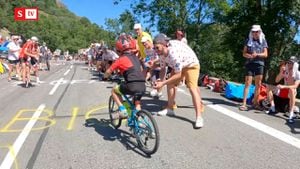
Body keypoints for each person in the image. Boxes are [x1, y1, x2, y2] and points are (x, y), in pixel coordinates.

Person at [153, 33, 204, 128]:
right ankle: (170, 108)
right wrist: (160, 80)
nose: (156, 51)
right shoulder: (161, 53)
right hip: (179, 65)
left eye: (157, 48)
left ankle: (199, 117)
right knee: (170, 84)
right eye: (154, 48)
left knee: (192, 88)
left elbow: (178, 74)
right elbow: (163, 69)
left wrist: (163, 83)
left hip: (191, 64)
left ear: (164, 45)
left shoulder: (173, 53)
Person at [104, 33, 146, 119]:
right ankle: (140, 122)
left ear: (119, 50)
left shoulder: (120, 60)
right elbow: (140, 69)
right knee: (137, 103)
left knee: (114, 91)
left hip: (131, 85)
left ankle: (122, 110)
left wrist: (104, 77)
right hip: (142, 85)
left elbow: (108, 71)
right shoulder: (136, 57)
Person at [239, 25, 268, 111]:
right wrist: (248, 55)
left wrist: (257, 55)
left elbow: (266, 54)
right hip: (250, 63)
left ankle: (255, 103)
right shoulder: (248, 40)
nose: (255, 33)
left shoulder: (263, 41)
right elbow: (244, 53)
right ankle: (244, 103)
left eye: (257, 32)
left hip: (259, 64)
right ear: (251, 32)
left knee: (258, 84)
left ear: (260, 32)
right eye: (253, 32)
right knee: (248, 83)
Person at [276, 56, 300, 123]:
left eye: (291, 63)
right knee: (268, 86)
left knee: (292, 90)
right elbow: (277, 80)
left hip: (289, 91)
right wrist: (281, 72)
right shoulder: (285, 71)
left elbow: (295, 86)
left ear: (295, 64)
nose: (289, 64)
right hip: (283, 90)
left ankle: (291, 114)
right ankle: (272, 107)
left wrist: (284, 87)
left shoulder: (298, 74)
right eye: (288, 62)